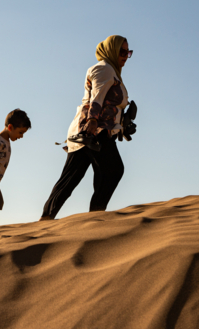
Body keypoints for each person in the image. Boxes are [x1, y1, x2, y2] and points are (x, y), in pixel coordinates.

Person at [40, 35, 133, 220]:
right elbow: (96, 98)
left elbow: (109, 104)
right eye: (122, 52)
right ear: (112, 51)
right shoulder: (104, 69)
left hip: (89, 131)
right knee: (113, 170)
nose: (125, 56)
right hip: (93, 131)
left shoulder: (112, 72)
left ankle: (47, 218)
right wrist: (92, 121)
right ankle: (95, 217)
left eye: (128, 52)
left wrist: (122, 126)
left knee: (71, 178)